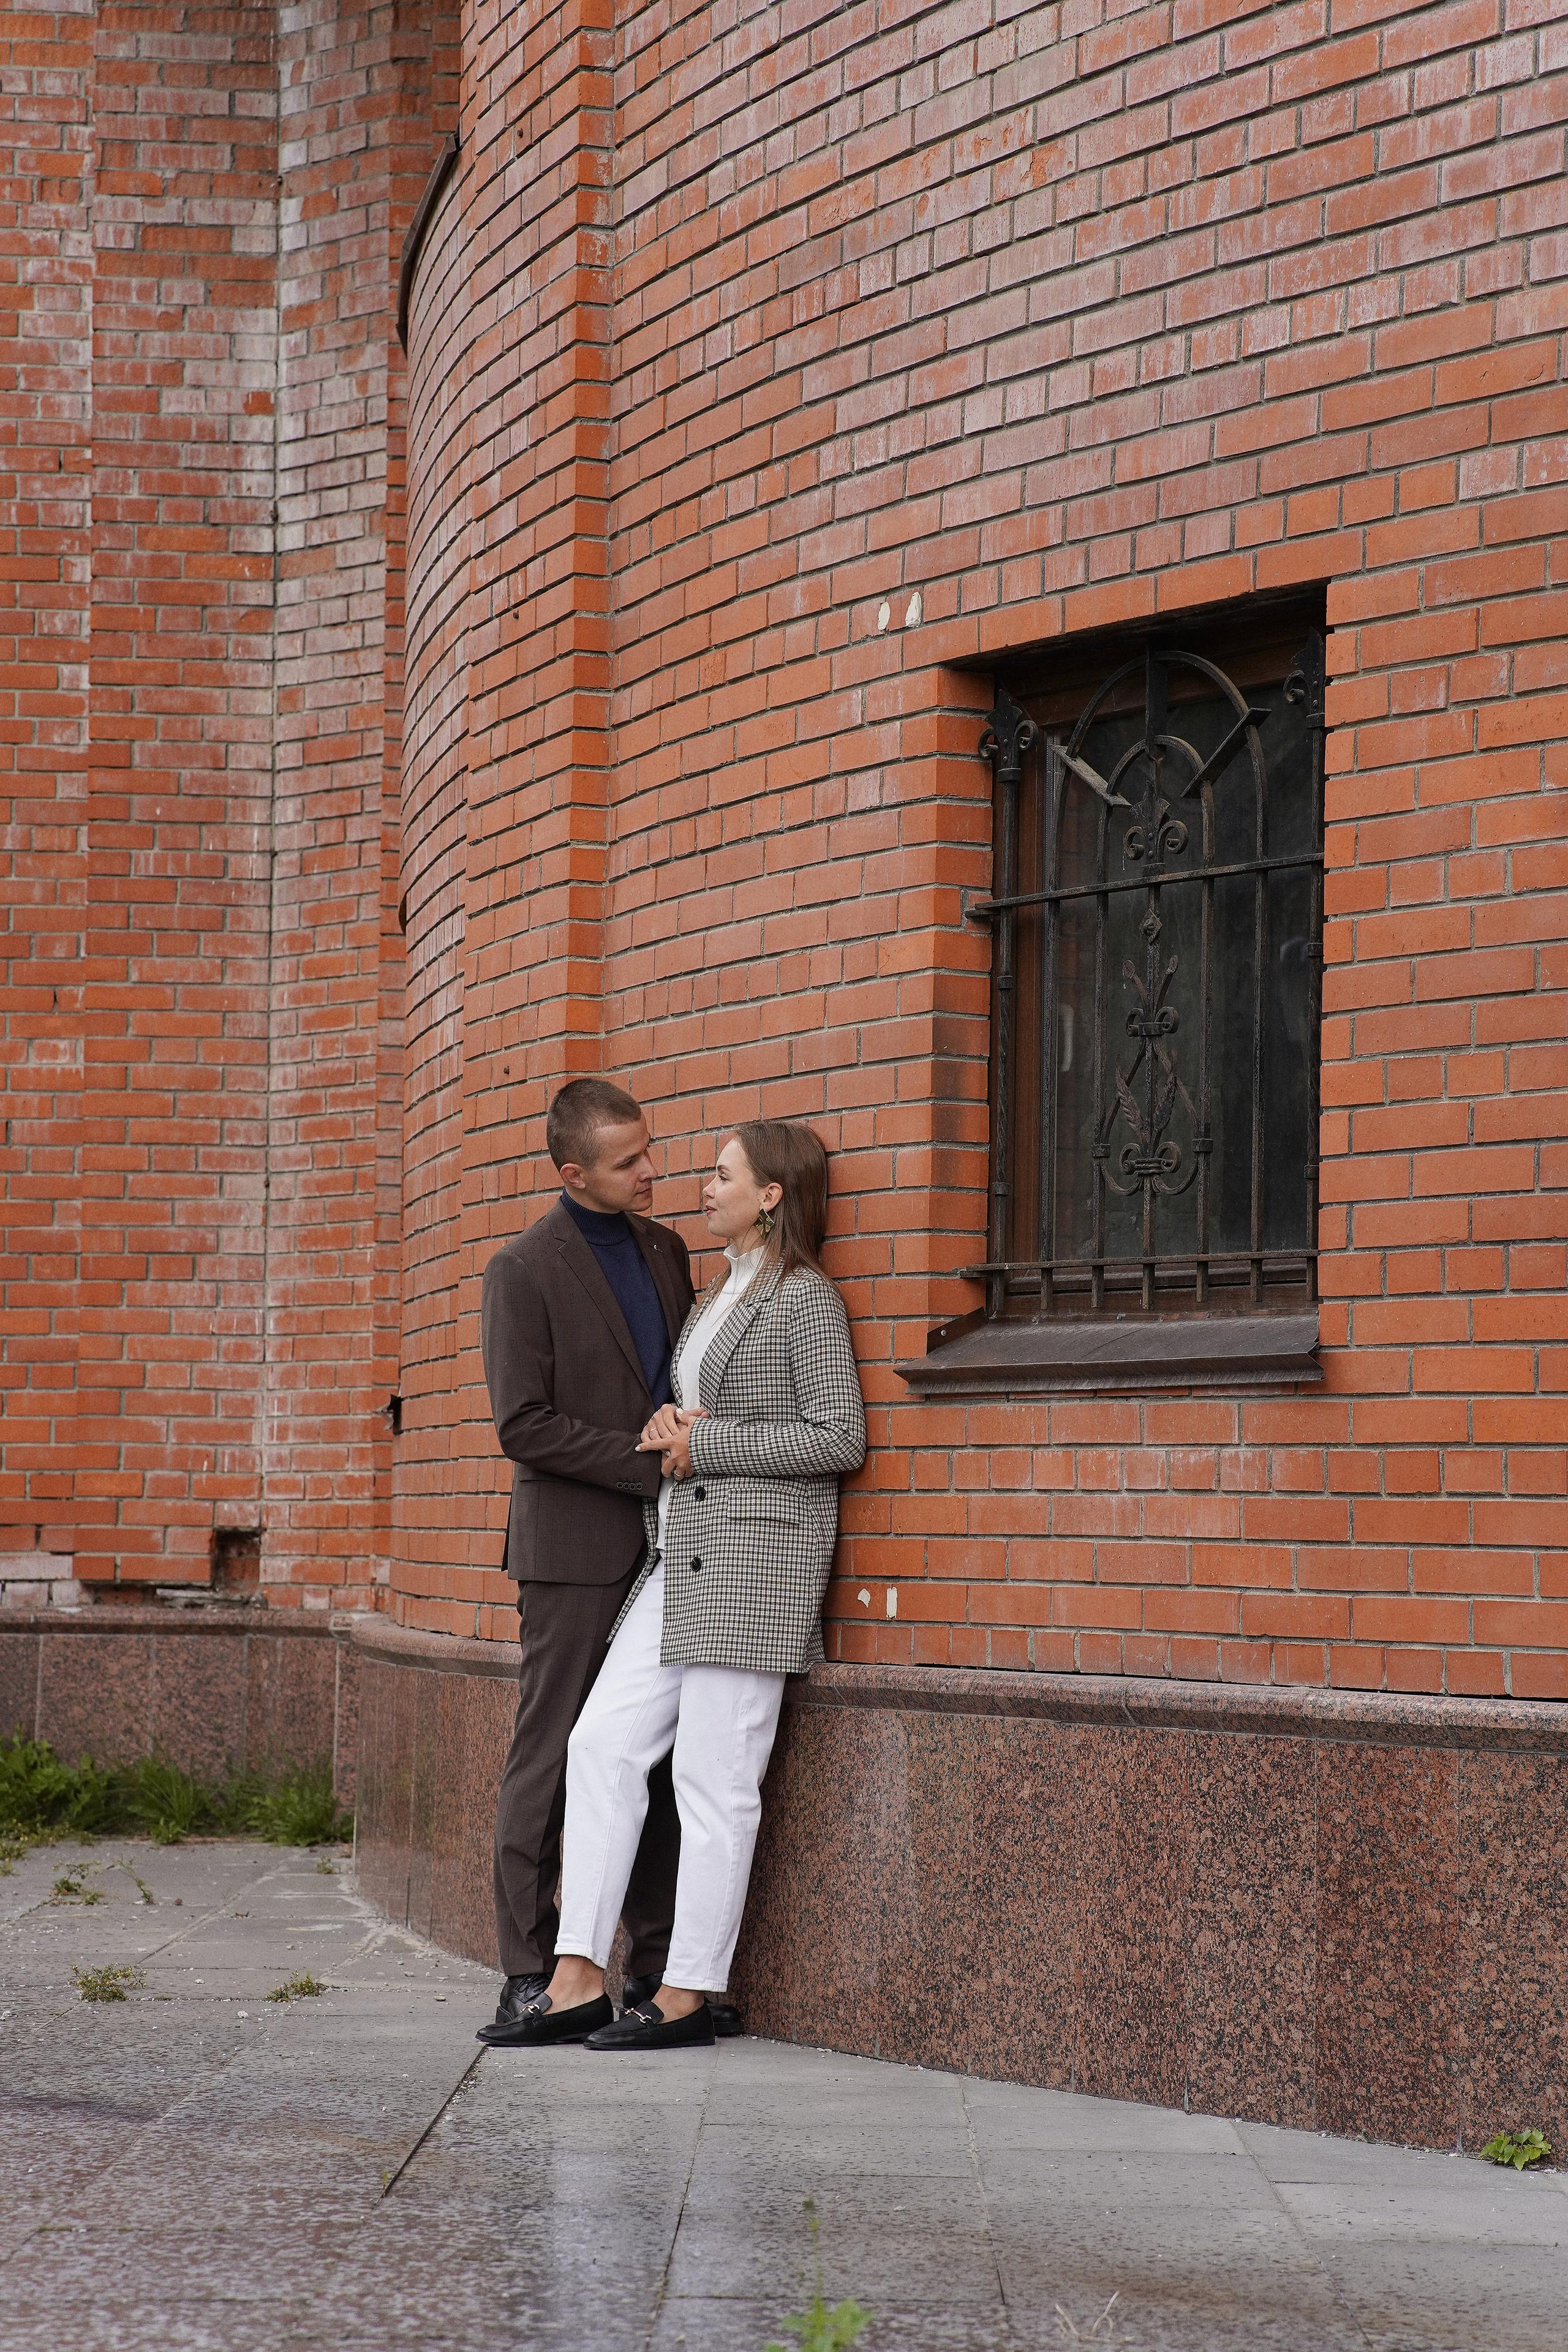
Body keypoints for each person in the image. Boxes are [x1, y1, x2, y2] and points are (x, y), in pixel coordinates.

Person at [496, 1117, 867, 2051]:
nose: (700, 1187)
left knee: (713, 1781)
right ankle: (578, 1972)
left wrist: (706, 1445)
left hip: (756, 1570)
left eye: (722, 1175)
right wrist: (673, 1422)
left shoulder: (806, 1299)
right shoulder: (718, 1295)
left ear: (771, 1195)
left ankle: (689, 1991)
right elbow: (709, 1414)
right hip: (682, 1560)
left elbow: (837, 1437)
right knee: (602, 1745)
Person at [476, 1077, 718, 2046]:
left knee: (649, 1761)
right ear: (572, 1173)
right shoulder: (522, 1268)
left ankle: (656, 1972)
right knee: (550, 1756)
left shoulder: (668, 1249)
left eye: (649, 1151)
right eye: (628, 1162)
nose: (651, 1171)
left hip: (670, 1549)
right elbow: (520, 1425)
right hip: (573, 1552)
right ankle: (529, 1974)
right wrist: (646, 1462)